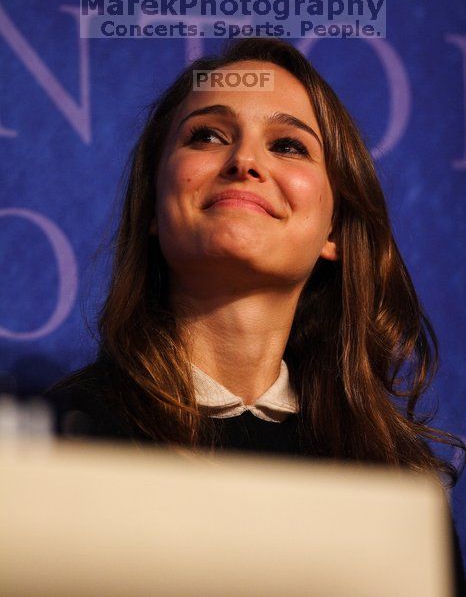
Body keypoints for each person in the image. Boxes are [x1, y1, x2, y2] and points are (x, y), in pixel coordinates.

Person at [43, 38, 465, 589]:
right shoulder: (55, 445)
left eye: (289, 145)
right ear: (152, 206)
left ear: (333, 229)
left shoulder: (398, 483)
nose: (245, 161)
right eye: (208, 136)